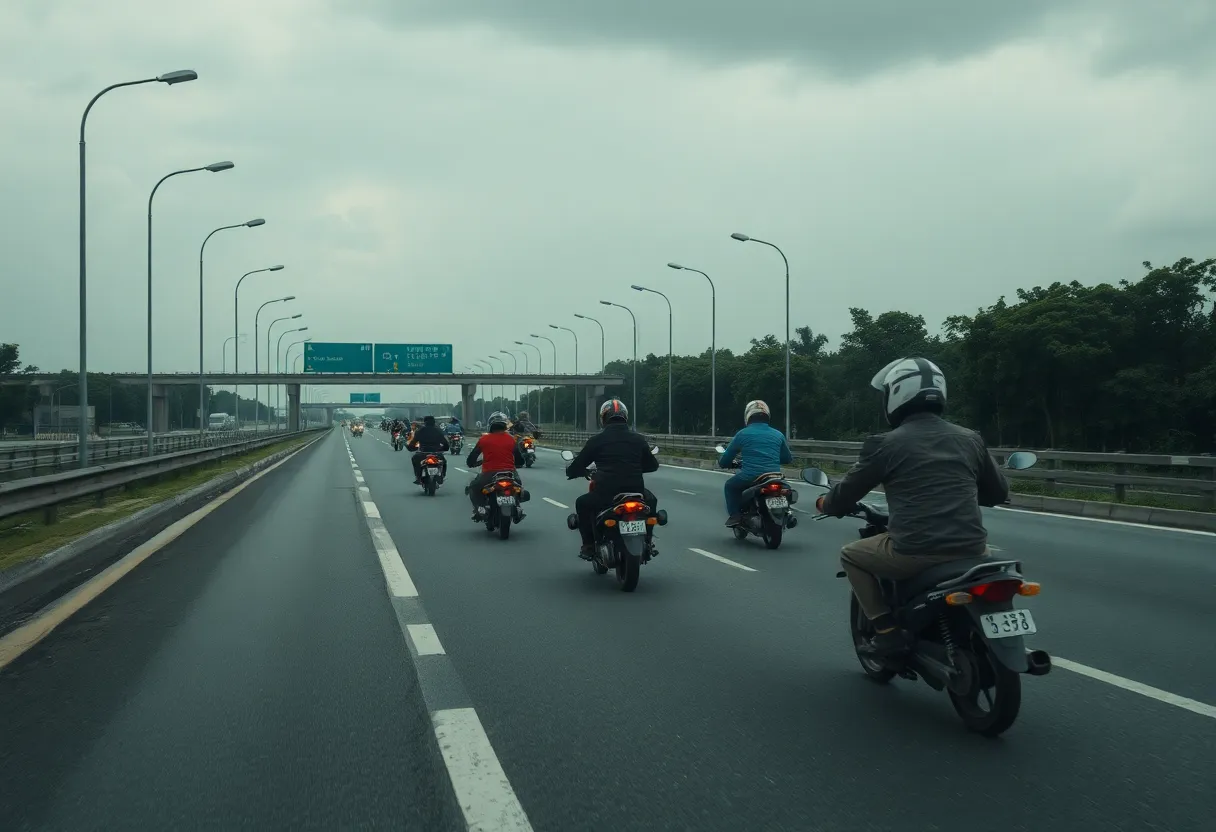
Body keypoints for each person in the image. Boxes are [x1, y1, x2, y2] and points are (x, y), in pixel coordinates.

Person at [817, 357, 1009, 654]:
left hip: (915, 550)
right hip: (973, 548)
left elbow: (845, 494)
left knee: (851, 555)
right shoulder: (971, 439)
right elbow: (997, 494)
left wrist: (827, 504)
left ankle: (886, 630)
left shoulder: (887, 443)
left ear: (896, 395)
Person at [564, 398, 659, 560]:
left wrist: (574, 472)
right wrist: (635, 467)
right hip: (635, 490)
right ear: (625, 417)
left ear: (603, 418)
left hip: (606, 493)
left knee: (582, 503)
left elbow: (577, 465)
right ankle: (648, 540)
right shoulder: (638, 439)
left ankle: (588, 545)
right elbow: (652, 465)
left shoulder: (596, 441)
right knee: (651, 501)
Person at [717, 400, 794, 527]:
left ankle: (735, 516)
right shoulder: (778, 434)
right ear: (767, 416)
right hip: (775, 475)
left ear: (748, 416)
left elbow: (726, 459)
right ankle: (788, 513)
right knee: (788, 489)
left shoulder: (742, 434)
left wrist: (723, 463)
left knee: (730, 486)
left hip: (750, 475)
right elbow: (787, 459)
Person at [465, 411, 525, 519]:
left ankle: (480, 509)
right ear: (504, 425)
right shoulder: (511, 439)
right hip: (509, 473)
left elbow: (471, 459)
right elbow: (520, 460)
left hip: (488, 474)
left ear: (490, 426)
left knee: (473, 487)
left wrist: (472, 464)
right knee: (519, 487)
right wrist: (517, 464)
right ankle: (518, 506)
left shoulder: (484, 439)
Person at [408, 415, 450, 483]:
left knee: (414, 459)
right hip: (436, 453)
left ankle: (418, 477)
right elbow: (445, 444)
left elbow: (413, 442)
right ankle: (442, 476)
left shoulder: (420, 431)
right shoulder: (438, 430)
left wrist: (411, 447)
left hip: (423, 453)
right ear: (434, 422)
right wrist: (443, 448)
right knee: (444, 462)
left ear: (425, 422)